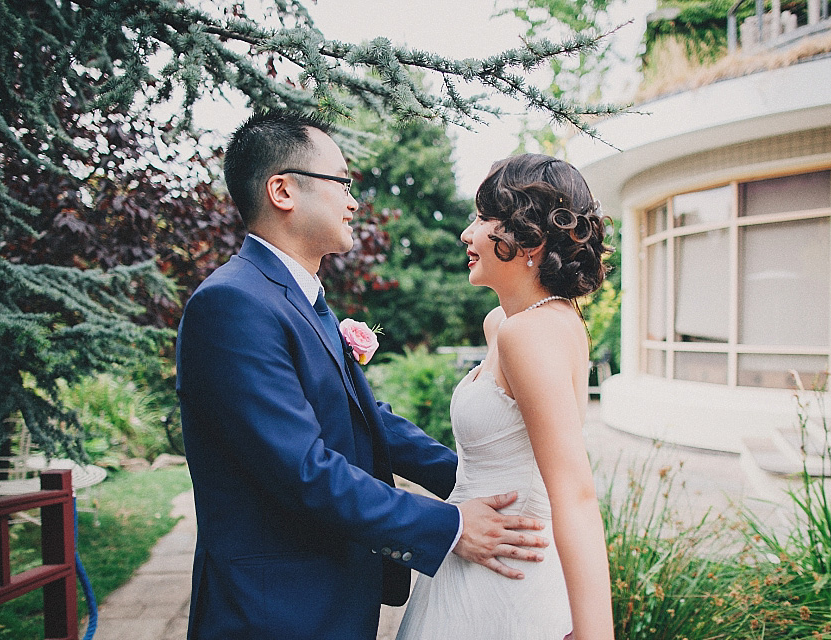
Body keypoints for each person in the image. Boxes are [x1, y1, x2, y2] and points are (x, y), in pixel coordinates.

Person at [175, 111, 551, 640]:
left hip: (333, 597)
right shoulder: (232, 304)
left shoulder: (298, 298)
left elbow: (365, 419)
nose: (354, 202)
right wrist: (451, 525)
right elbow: (303, 469)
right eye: (343, 183)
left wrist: (479, 480)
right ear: (283, 191)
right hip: (274, 611)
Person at [396, 154, 615, 640]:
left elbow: (575, 495)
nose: (465, 234)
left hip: (507, 583)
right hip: (473, 558)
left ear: (527, 237)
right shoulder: (506, 325)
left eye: (481, 219)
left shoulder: (530, 335)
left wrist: (594, 633)